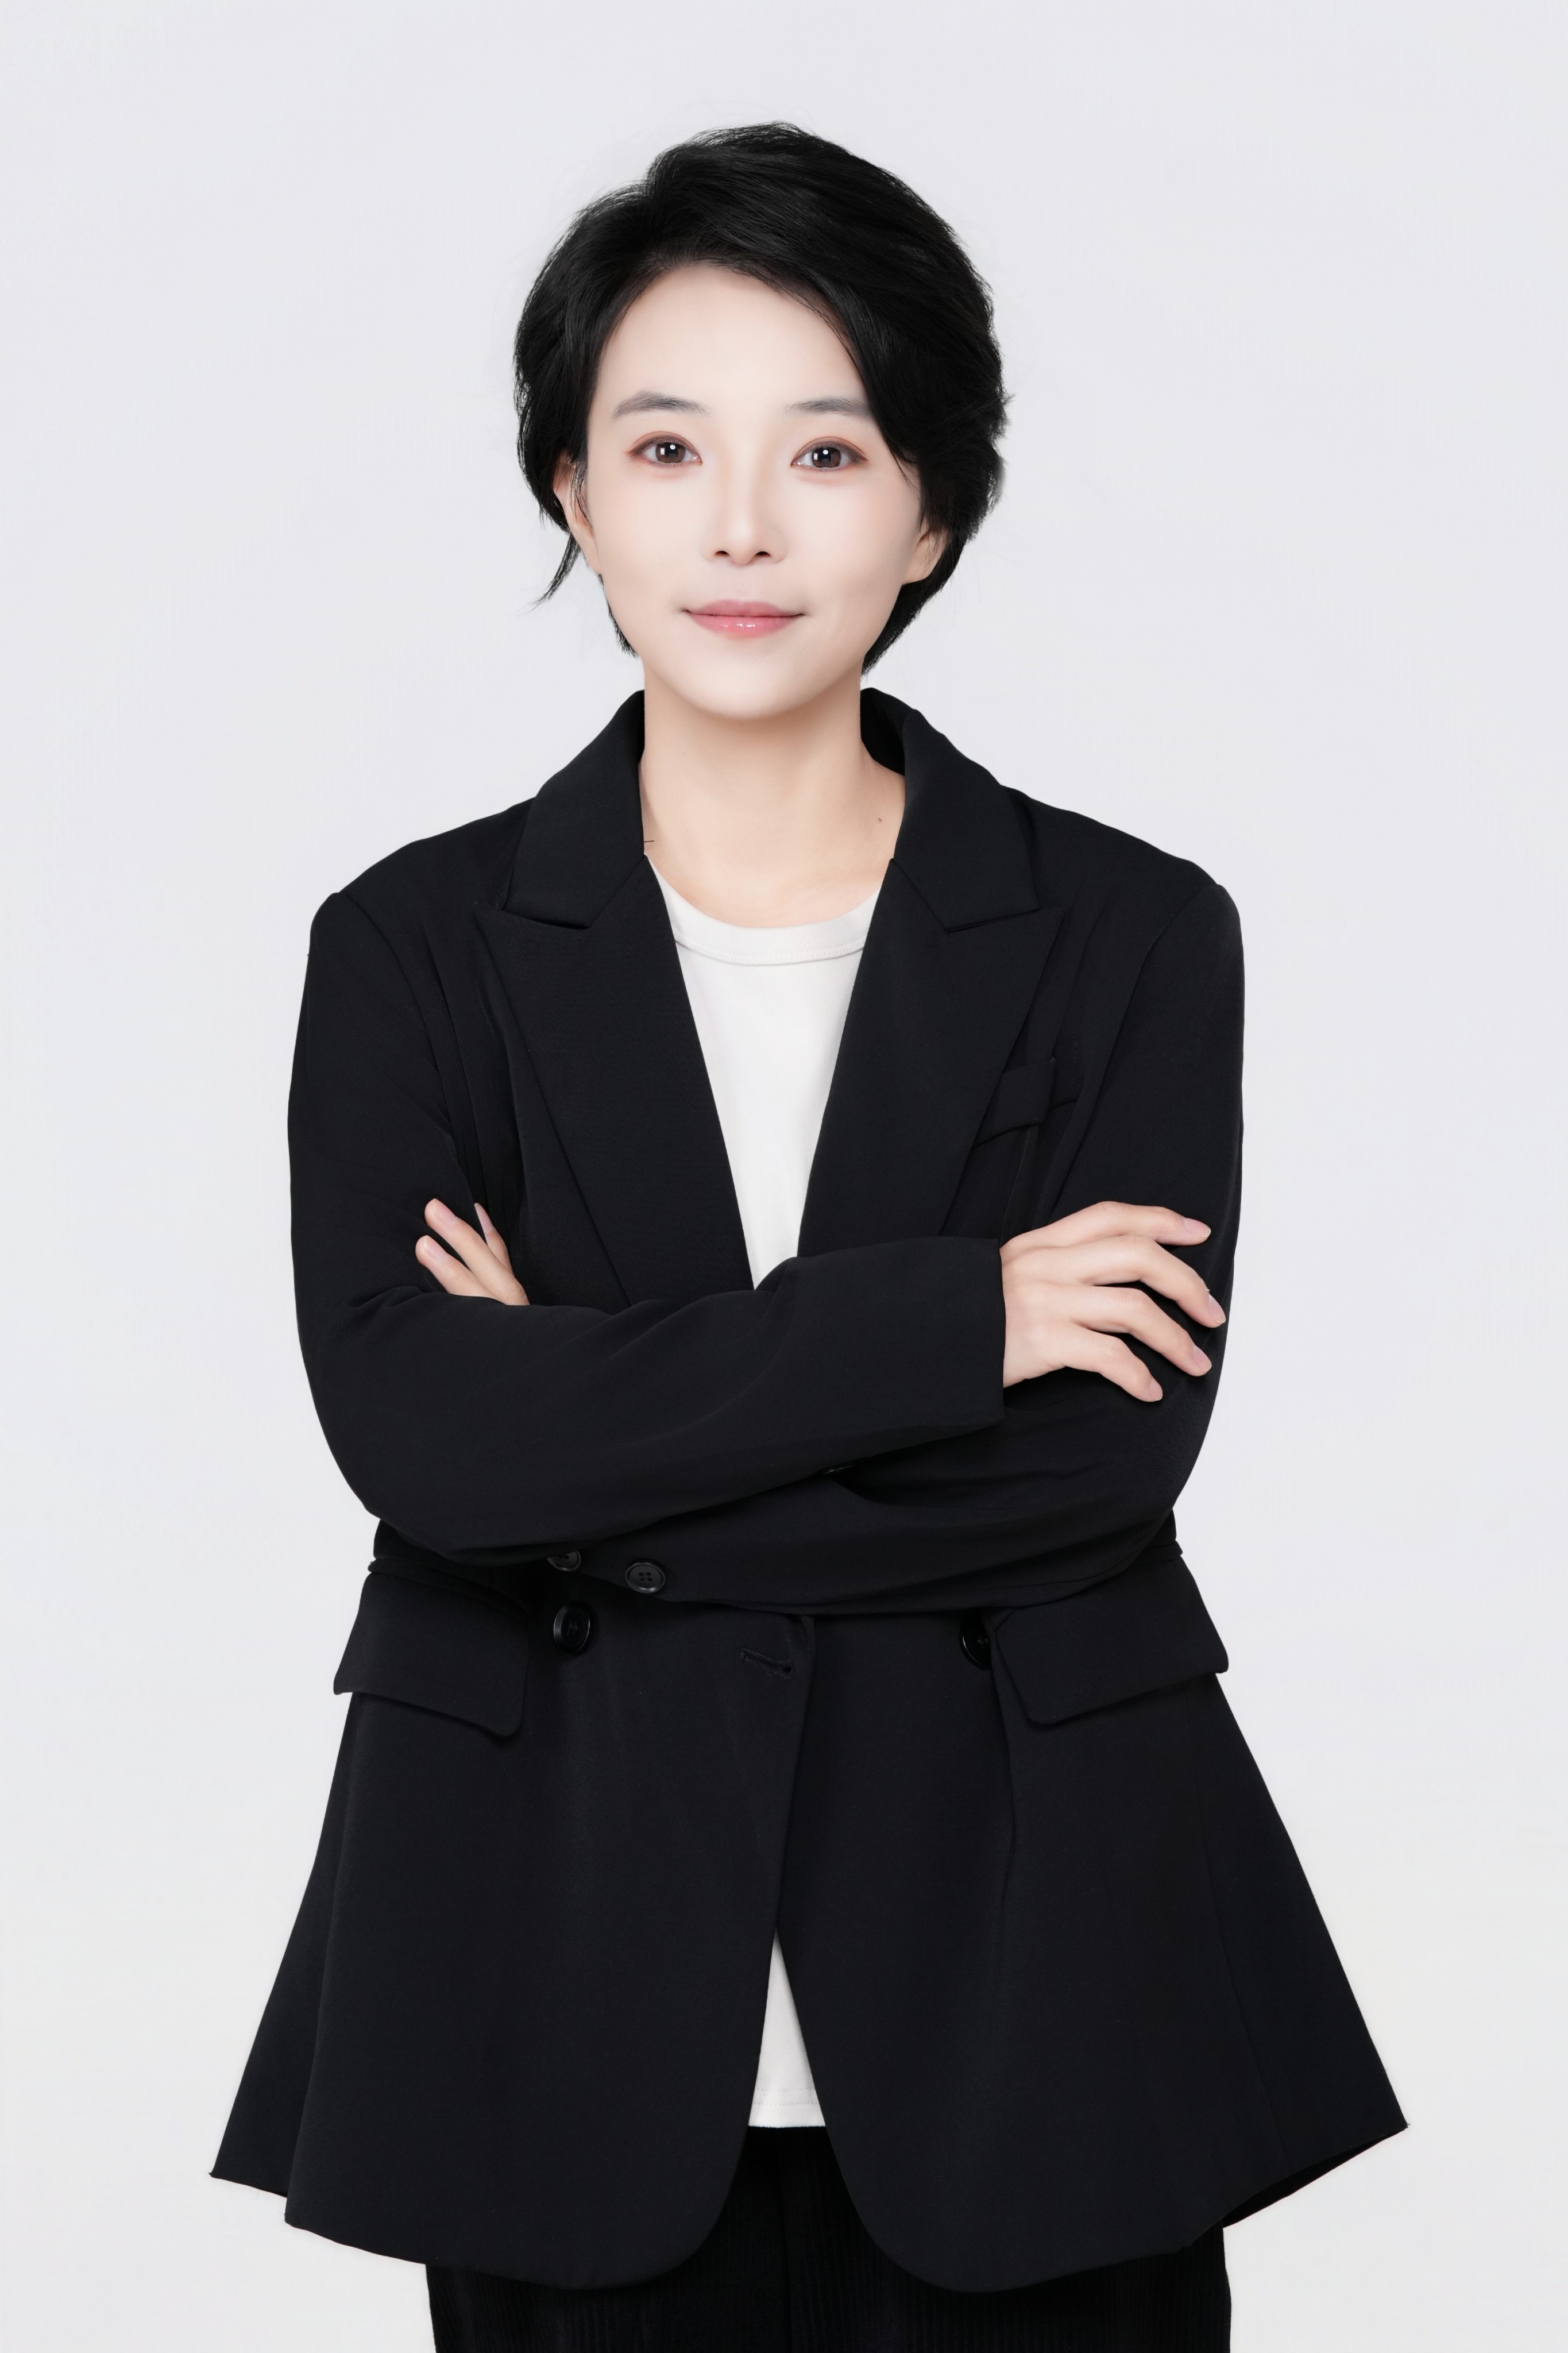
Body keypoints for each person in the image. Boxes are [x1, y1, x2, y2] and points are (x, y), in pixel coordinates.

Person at [213, 125, 1404, 2351]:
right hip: (553, 1964)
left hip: (1040, 1979)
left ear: (932, 509)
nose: (740, 526)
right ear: (573, 491)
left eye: (827, 450)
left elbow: (1087, 1472)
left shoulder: (1127, 933)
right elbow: (425, 1443)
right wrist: (960, 1320)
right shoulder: (412, 949)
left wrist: (583, 1431)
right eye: (666, 447)